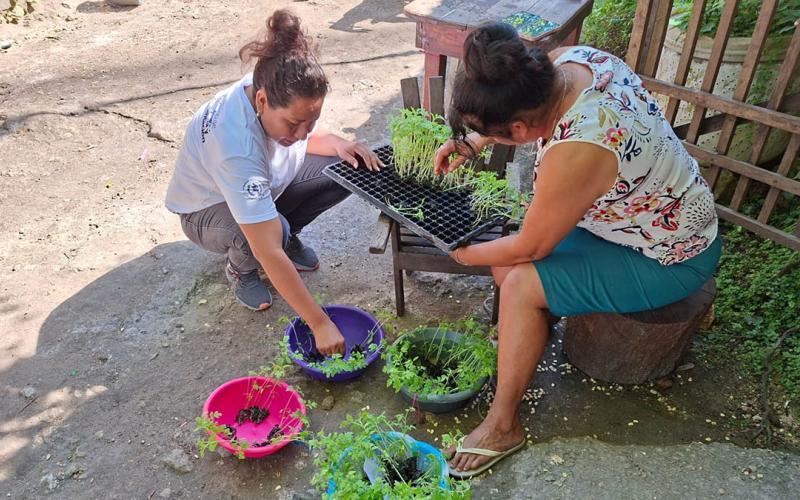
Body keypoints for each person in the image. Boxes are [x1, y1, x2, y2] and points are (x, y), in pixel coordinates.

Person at [434, 23, 721, 477]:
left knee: (519, 279)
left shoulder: (580, 146)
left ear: (521, 128)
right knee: (508, 274)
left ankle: (503, 425)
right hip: (637, 217)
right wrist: (477, 139)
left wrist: (461, 253)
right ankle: (527, 336)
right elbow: (521, 112)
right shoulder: (571, 62)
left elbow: (532, 244)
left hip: (669, 252)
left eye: (493, 131)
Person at [165, 10, 381, 356]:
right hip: (203, 212)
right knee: (269, 236)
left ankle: (283, 233)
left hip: (259, 187)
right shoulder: (235, 147)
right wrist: (320, 323)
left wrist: (341, 144)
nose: (302, 134)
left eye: (311, 121)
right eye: (293, 124)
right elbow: (268, 247)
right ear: (262, 101)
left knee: (346, 167)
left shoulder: (273, 81)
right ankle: (241, 267)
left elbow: (306, 133)